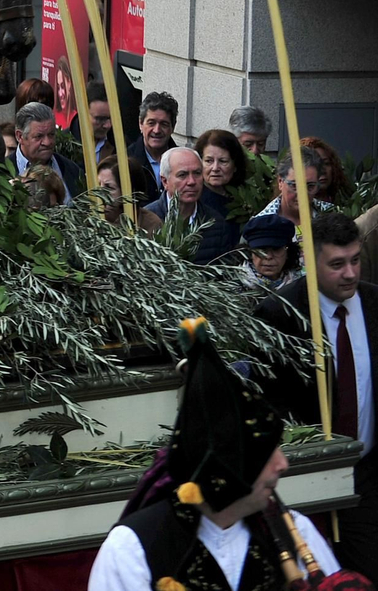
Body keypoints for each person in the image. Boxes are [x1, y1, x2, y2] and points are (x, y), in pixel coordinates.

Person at [88, 317, 343, 590]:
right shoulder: (132, 549)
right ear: (225, 469)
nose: (283, 464)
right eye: (266, 453)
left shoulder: (295, 531)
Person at [255, 211, 378, 580]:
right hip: (305, 478)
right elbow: (267, 399)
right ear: (309, 260)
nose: (351, 273)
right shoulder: (279, 313)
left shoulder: (374, 305)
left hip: (368, 471)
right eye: (337, 264)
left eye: (355, 260)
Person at [148, 146, 238, 262]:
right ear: (165, 181)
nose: (191, 182)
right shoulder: (146, 221)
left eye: (197, 173)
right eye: (182, 175)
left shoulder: (217, 224)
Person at [12, 102, 84, 201]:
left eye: (51, 134)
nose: (47, 142)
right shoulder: (0, 175)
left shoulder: (71, 170)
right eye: (39, 136)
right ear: (20, 136)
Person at [238, 214, 303, 291]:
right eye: (262, 250)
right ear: (250, 252)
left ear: (288, 252)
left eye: (276, 249)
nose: (268, 256)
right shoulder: (232, 286)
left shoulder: (302, 286)